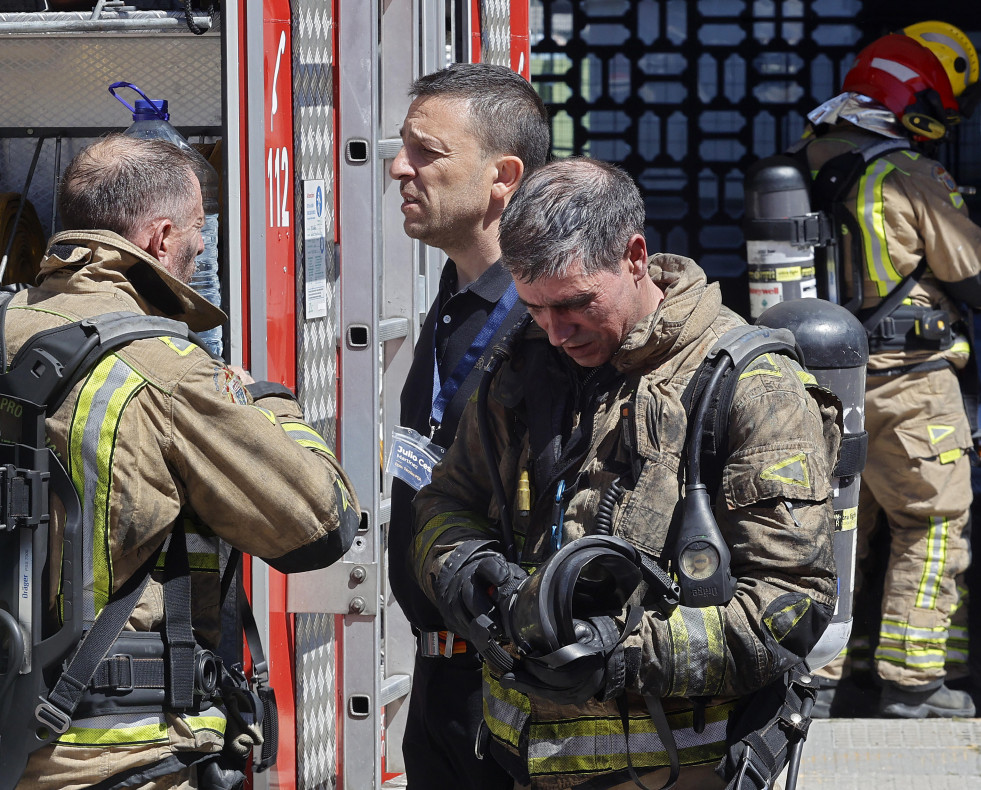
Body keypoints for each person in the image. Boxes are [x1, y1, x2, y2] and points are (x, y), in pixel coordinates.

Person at [409, 157, 839, 790]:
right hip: (510, 764)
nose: (555, 332)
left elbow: (789, 607)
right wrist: (473, 578)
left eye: (575, 305)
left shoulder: (751, 388)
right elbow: (446, 499)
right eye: (533, 308)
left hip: (675, 770)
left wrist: (616, 656)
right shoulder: (521, 371)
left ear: (635, 256)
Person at [12, 134, 361, 789]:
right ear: (160, 236)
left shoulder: (9, 331)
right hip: (117, 753)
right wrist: (267, 404)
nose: (201, 247)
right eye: (199, 230)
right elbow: (320, 523)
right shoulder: (165, 371)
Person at [800, 22, 981, 718]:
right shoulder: (904, 172)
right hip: (910, 385)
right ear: (914, 101)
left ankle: (817, 678)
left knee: (836, 531)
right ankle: (913, 683)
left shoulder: (810, 157)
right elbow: (969, 271)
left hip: (822, 384)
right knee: (932, 524)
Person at [386, 62, 551, 789]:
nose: (399, 168)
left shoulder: (544, 327)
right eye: (402, 147)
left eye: (427, 152)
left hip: (512, 693)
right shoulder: (454, 299)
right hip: (440, 687)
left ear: (501, 176)